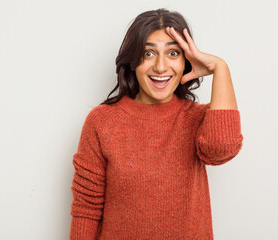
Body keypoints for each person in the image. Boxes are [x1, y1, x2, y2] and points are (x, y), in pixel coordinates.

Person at [69, 8, 243, 240]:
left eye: (173, 53)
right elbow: (86, 207)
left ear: (186, 62)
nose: (161, 67)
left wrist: (220, 68)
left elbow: (221, 149)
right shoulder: (102, 121)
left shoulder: (198, 119)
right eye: (148, 53)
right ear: (132, 62)